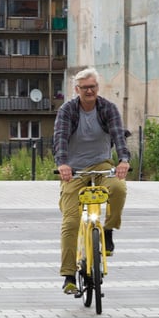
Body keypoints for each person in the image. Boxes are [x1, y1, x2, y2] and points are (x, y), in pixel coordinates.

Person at [53, 67, 130, 294]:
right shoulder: (68, 110)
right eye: (84, 87)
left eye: (93, 87)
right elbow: (60, 139)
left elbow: (118, 135)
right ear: (77, 89)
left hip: (101, 165)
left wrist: (123, 160)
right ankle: (68, 275)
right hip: (74, 170)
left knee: (118, 188)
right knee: (71, 221)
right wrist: (63, 164)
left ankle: (107, 230)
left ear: (98, 87)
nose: (89, 91)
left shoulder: (108, 108)